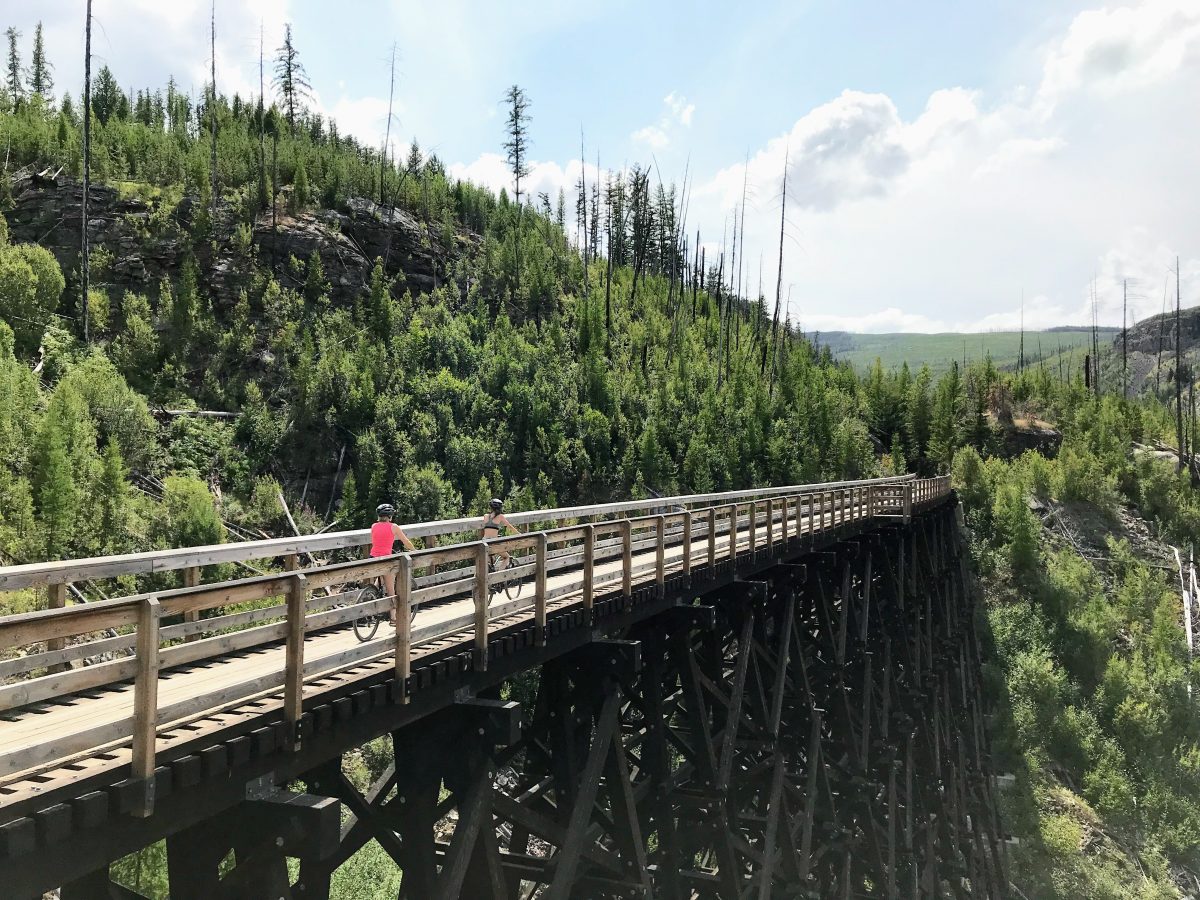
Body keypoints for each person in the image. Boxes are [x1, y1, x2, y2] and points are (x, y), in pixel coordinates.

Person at [369, 503, 416, 624]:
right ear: (390, 516)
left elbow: (377, 542)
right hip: (386, 560)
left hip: (374, 558)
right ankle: (393, 618)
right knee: (391, 591)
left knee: (380, 579)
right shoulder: (393, 527)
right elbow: (405, 541)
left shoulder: (373, 526)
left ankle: (371, 594)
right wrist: (415, 551)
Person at [481, 498, 521, 568]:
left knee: (489, 562)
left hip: (484, 542)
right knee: (506, 557)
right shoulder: (500, 517)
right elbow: (510, 526)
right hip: (493, 543)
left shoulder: (485, 516)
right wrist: (519, 534)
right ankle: (499, 574)